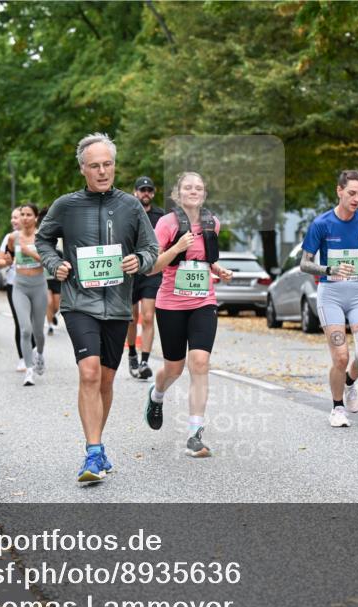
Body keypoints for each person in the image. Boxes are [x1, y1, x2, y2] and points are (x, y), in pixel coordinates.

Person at [36, 132, 159, 484]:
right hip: (79, 302)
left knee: (105, 380)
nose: (102, 171)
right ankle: (92, 450)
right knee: (88, 372)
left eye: (107, 165)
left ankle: (98, 446)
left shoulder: (131, 206)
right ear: (82, 169)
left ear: (114, 166)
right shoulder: (66, 205)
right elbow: (43, 240)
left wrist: (140, 259)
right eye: (95, 166)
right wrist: (54, 263)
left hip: (119, 305)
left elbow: (150, 248)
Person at [142, 172, 233, 457]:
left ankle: (195, 433)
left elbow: (205, 261)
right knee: (174, 369)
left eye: (199, 188)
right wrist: (177, 247)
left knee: (200, 362)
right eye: (188, 187)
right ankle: (157, 395)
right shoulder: (166, 224)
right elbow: (152, 267)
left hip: (203, 302)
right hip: (170, 304)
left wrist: (220, 270)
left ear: (204, 194)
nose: (194, 191)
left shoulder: (212, 223)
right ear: (178, 194)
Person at [299, 170, 358, 427]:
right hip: (331, 295)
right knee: (341, 357)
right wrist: (328, 270)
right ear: (339, 191)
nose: (356, 199)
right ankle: (337, 408)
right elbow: (304, 264)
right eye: (351, 193)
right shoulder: (322, 224)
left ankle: (349, 383)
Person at [0, 204, 49, 386]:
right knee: (25, 329)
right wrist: (4, 261)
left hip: (39, 286)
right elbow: (1, 259)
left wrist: (30, 252)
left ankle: (40, 354)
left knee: (38, 331)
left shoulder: (43, 237)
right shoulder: (13, 238)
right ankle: (29, 370)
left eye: (29, 215)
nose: (25, 218)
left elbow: (50, 261)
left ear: (36, 218)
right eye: (22, 215)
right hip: (19, 286)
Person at [126, 176, 167, 380]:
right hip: (131, 271)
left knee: (149, 317)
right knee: (132, 317)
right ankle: (132, 352)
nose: (146, 194)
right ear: (135, 192)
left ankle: (144, 361)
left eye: (149, 190)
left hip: (152, 271)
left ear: (154, 192)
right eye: (142, 190)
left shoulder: (161, 216)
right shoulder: (128, 212)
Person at [0, 208, 27, 369]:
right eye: (12, 217)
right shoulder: (9, 238)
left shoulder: (36, 236)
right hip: (14, 284)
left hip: (34, 284)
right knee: (20, 321)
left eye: (16, 217)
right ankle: (22, 357)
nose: (13, 220)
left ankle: (34, 350)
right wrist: (7, 262)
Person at [41, 206, 64, 336]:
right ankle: (50, 326)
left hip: (57, 278)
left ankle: (53, 315)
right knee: (48, 302)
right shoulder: (40, 234)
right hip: (45, 278)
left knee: (56, 305)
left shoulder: (58, 226)